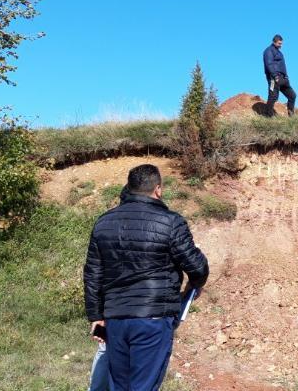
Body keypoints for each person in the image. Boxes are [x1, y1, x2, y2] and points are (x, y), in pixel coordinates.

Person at [83, 164, 209, 391]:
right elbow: (196, 267)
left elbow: (92, 274)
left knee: (119, 386)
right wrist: (195, 285)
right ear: (158, 189)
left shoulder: (103, 223)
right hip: (153, 318)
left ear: (128, 188)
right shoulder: (171, 222)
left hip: (115, 319)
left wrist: (96, 315)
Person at [263, 34, 296, 116]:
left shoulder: (279, 53)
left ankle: (291, 114)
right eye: (279, 43)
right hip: (274, 78)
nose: (281, 45)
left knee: (292, 95)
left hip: (283, 79)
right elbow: (269, 64)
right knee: (273, 97)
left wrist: (286, 76)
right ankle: (268, 116)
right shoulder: (268, 51)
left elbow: (282, 66)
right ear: (274, 42)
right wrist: (275, 76)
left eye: (281, 43)